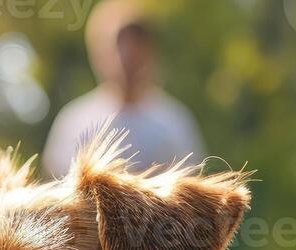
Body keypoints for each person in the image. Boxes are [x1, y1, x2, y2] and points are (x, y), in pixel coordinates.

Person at [42, 0, 204, 178]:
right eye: (119, 45)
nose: (127, 56)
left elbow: (191, 189)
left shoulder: (175, 124)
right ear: (97, 52)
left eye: (136, 44)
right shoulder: (74, 123)